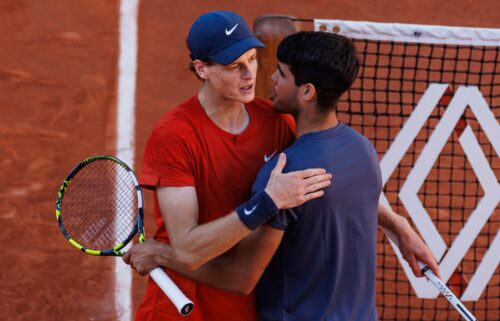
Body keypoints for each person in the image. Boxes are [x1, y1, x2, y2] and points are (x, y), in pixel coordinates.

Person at [124, 11, 440, 321]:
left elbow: (322, 184)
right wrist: (267, 203)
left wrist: (397, 225)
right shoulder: (175, 136)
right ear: (202, 68)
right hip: (187, 307)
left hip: (247, 305)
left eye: (252, 59)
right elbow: (189, 250)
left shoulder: (277, 122)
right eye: (235, 66)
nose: (250, 75)